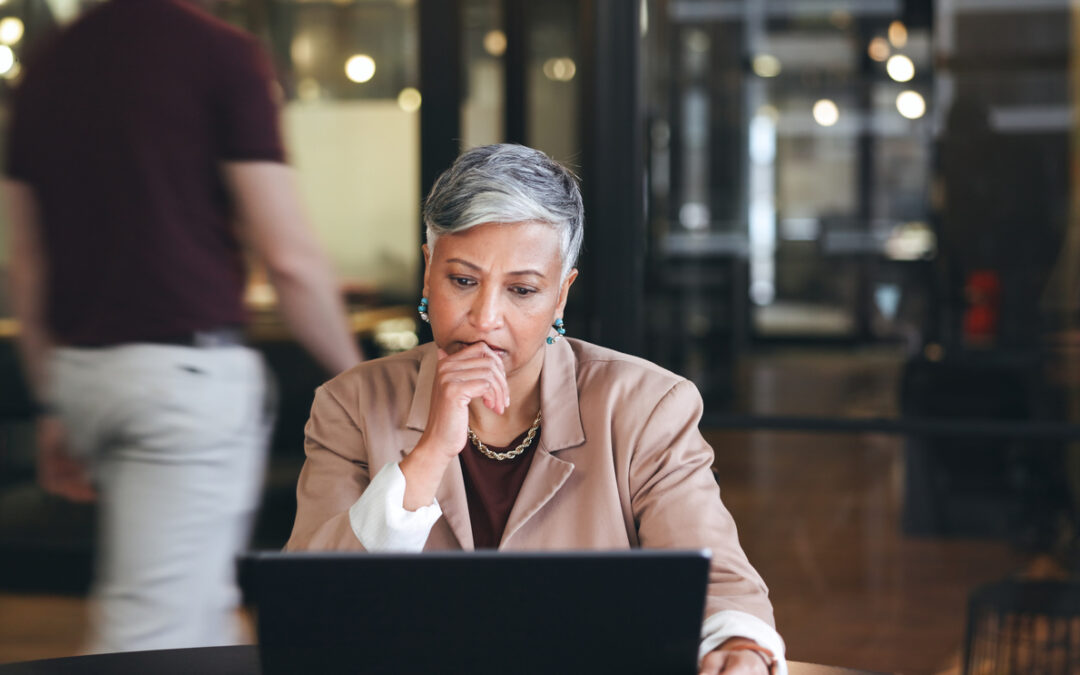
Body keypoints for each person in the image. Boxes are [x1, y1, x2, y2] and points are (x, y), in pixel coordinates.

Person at [285, 144, 785, 674]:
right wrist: (429, 454)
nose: (485, 318)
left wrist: (739, 649)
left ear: (561, 296)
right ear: (429, 271)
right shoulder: (350, 404)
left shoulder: (645, 406)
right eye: (462, 281)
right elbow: (309, 604)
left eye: (522, 289)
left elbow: (717, 582)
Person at [3, 0, 362, 653]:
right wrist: (361, 381)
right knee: (151, 632)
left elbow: (28, 267)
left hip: (84, 375)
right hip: (179, 387)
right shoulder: (220, 54)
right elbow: (288, 257)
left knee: (203, 610)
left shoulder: (47, 66)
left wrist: (53, 400)